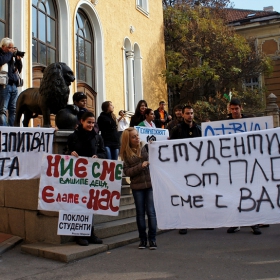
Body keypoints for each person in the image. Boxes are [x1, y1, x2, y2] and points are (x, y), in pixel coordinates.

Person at [67, 111, 106, 246]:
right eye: (88, 122)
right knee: (78, 205)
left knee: (90, 205)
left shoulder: (97, 138)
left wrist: (98, 157)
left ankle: (91, 233)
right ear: (81, 122)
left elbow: (103, 153)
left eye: (93, 122)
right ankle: (79, 234)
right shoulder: (73, 137)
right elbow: (65, 154)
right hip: (76, 177)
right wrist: (70, 154)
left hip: (91, 177)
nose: (91, 125)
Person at [226, 98, 261, 235]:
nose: (234, 111)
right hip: (232, 166)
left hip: (249, 165)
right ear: (229, 109)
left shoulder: (250, 123)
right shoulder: (224, 124)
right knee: (234, 195)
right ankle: (236, 223)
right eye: (232, 109)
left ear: (241, 108)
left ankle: (254, 223)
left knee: (250, 194)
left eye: (237, 109)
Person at [120, 127, 157, 249]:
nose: (137, 138)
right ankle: (143, 240)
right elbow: (127, 172)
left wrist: (157, 146)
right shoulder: (125, 153)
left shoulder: (145, 147)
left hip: (150, 185)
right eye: (134, 137)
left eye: (137, 135)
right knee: (140, 213)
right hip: (137, 187)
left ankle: (152, 239)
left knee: (151, 212)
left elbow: (157, 158)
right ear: (128, 139)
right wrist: (140, 166)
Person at [170, 105, 202, 234]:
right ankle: (183, 222)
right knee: (183, 195)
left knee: (198, 194)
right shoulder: (176, 130)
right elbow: (170, 147)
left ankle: (200, 221)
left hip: (196, 167)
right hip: (181, 168)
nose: (190, 116)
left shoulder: (199, 129)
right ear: (182, 115)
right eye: (187, 113)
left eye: (192, 113)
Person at [0, 37, 24, 126]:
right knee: (3, 109)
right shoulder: (2, 55)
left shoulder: (11, 56)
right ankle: (4, 130)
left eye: (13, 47)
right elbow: (1, 61)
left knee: (13, 110)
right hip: (4, 86)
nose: (12, 49)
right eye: (10, 47)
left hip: (14, 86)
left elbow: (19, 70)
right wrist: (10, 54)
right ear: (3, 47)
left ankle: (12, 130)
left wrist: (18, 60)